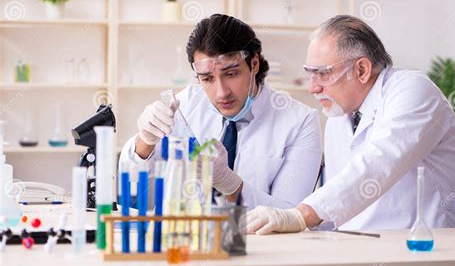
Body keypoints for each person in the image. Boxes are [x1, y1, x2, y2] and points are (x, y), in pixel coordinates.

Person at [245, 15, 455, 234]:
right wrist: (305, 227)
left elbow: (380, 161)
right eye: (310, 74)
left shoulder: (413, 90)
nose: (313, 87)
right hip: (366, 245)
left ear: (361, 70)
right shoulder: (338, 115)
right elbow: (339, 200)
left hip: (435, 244)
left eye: (322, 74)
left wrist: (300, 215)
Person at [119, 14, 322, 208]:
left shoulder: (300, 121)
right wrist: (145, 141)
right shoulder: (185, 106)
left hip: (261, 243)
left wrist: (230, 185)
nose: (221, 92)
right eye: (207, 79)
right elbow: (133, 187)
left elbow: (292, 215)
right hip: (189, 239)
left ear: (254, 64)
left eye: (231, 73)